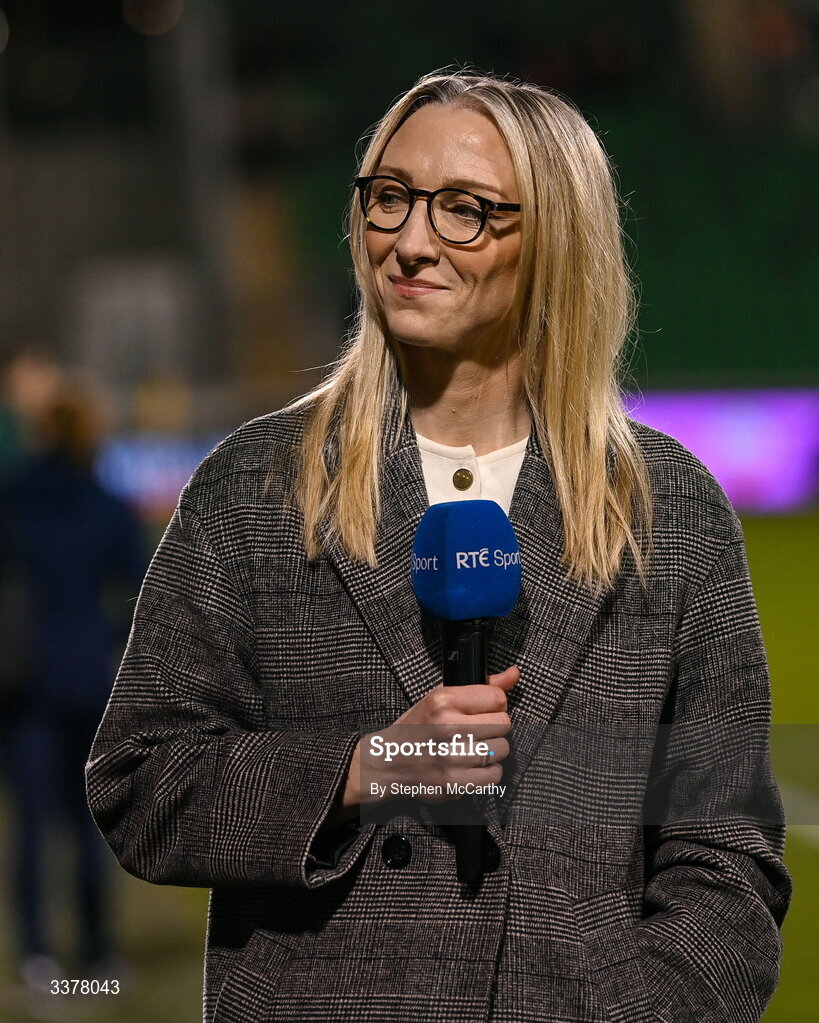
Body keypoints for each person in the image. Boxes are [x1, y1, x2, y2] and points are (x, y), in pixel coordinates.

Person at [85, 71, 791, 1023]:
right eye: (389, 196)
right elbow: (141, 780)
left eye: (464, 210)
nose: (410, 241)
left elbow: (726, 855)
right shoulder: (253, 487)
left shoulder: (669, 508)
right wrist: (360, 768)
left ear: (553, 242)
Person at [0, 380, 146, 992]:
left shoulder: (12, 501)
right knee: (91, 828)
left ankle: (37, 954)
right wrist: (103, 633)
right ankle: (98, 954)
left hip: (23, 685)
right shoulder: (107, 505)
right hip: (89, 682)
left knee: (31, 830)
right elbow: (142, 593)